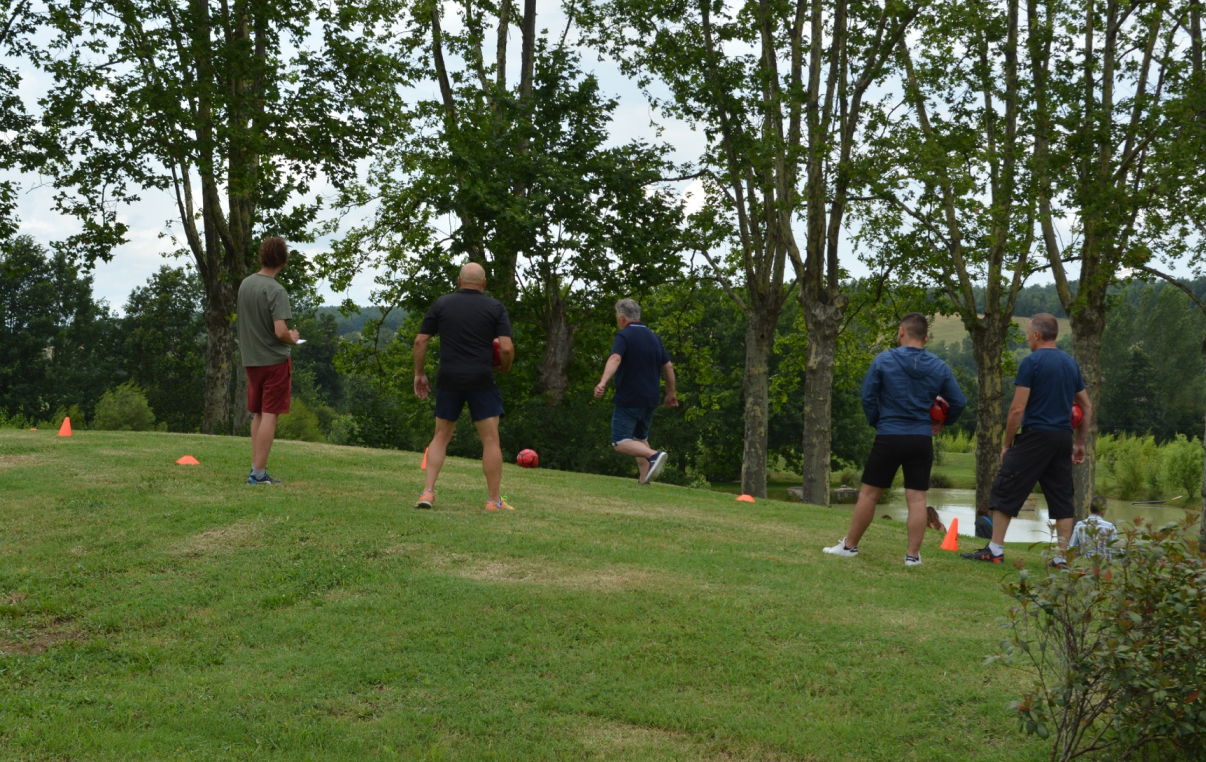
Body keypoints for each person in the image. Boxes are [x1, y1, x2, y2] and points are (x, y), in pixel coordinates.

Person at [823, 313, 967, 566]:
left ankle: (849, 546)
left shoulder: (883, 360)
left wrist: (877, 421)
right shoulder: (940, 366)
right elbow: (959, 401)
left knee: (869, 495)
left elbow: (868, 396)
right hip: (921, 438)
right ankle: (913, 556)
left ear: (901, 331)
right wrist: (943, 421)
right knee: (917, 499)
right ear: (927, 337)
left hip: (889, 434)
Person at [962, 313, 1092, 567]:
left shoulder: (1031, 363)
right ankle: (1060, 560)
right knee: (1063, 499)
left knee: (1005, 489)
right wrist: (1080, 442)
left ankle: (995, 550)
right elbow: (1085, 406)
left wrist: (1007, 444)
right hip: (1062, 438)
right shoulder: (1070, 363)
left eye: (1027, 332)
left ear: (1036, 335)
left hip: (1035, 437)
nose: (1027, 336)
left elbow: (1016, 410)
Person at [413, 263, 515, 511]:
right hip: (481, 378)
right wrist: (505, 366)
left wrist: (419, 373)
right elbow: (506, 348)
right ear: (484, 283)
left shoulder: (442, 304)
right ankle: (493, 501)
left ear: (459, 281)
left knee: (440, 436)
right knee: (490, 440)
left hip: (449, 378)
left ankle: (427, 493)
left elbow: (420, 340)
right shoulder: (495, 307)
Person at [594, 298, 679, 484]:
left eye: (617, 317)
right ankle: (644, 479)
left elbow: (615, 358)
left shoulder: (624, 336)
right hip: (650, 399)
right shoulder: (653, 337)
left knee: (620, 442)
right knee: (639, 439)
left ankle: (654, 455)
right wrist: (671, 393)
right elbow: (668, 366)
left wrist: (603, 382)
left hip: (629, 397)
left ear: (622, 318)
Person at [237, 236, 300, 485]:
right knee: (270, 413)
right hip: (274, 361)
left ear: (262, 257)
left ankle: (256, 468)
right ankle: (259, 474)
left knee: (258, 414)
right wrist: (293, 338)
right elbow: (280, 332)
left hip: (251, 360)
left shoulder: (245, 284)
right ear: (283, 261)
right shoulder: (276, 290)